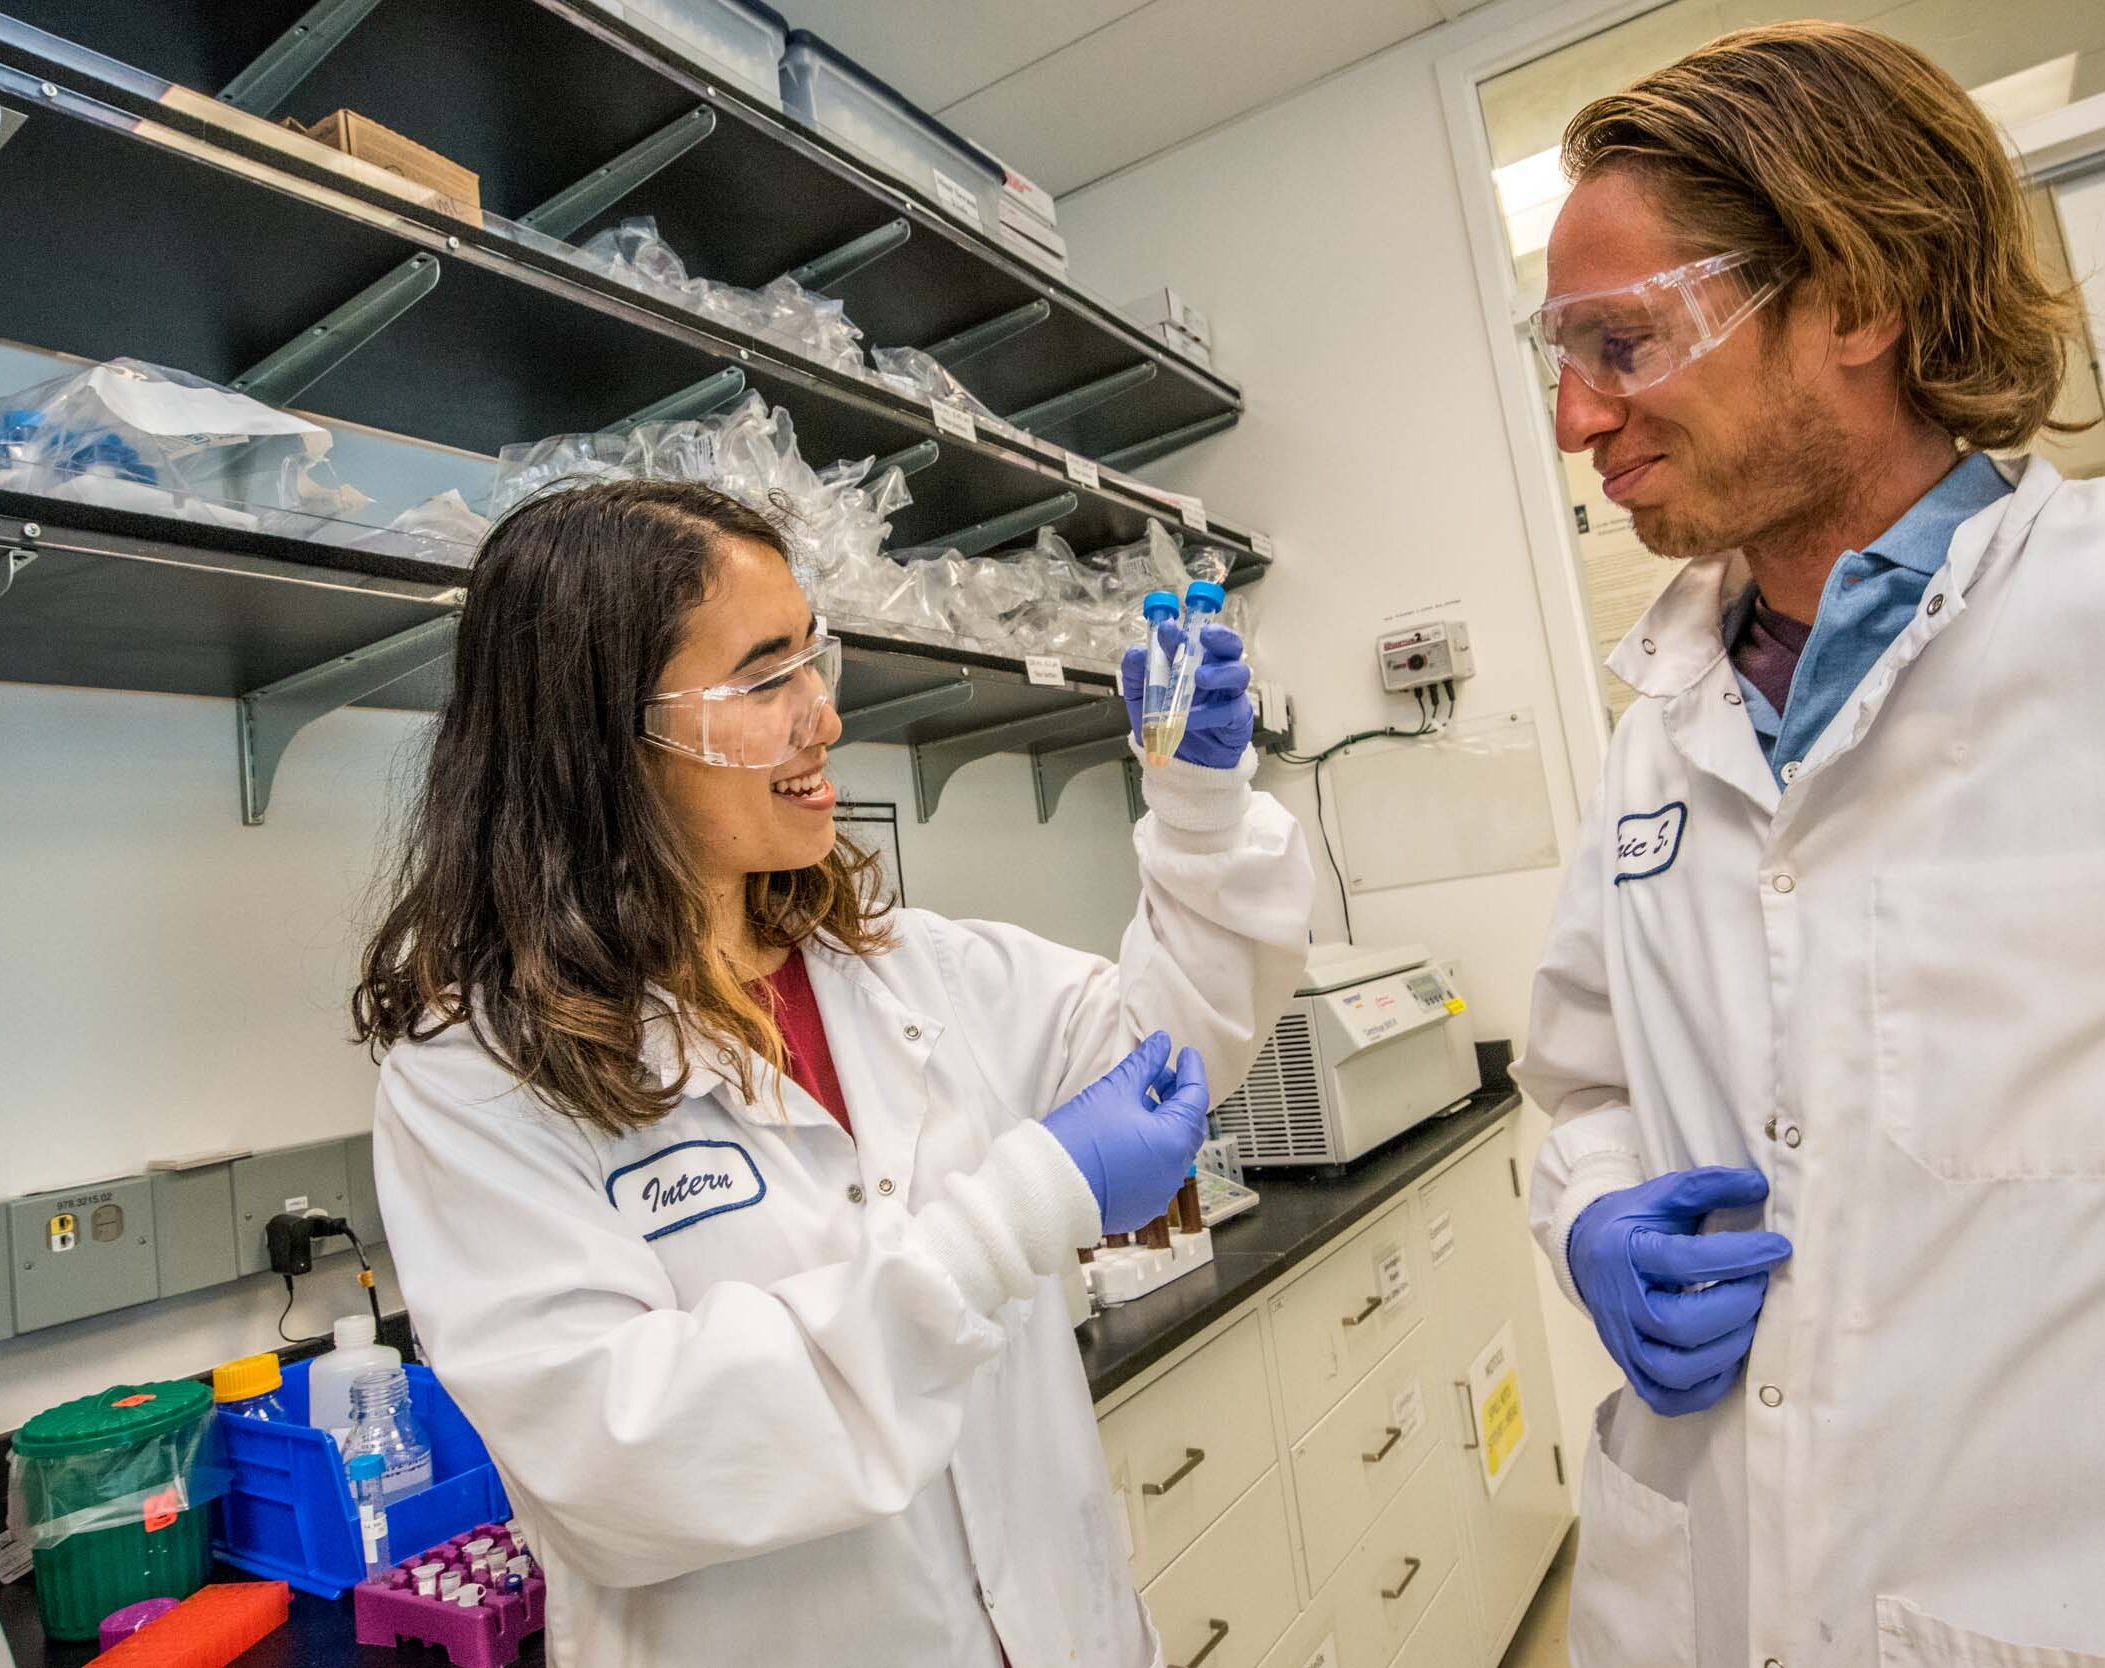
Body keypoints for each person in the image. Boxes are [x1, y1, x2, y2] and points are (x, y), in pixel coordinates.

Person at [354, 478, 1313, 1667]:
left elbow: (1170, 1056)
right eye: (766, 680)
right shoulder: (477, 1079)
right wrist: (1013, 1218)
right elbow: (623, 1462)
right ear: (601, 738)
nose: (824, 718)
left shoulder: (903, 969)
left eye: (814, 660)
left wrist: (1202, 815)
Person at [1516, 22, 2105, 1668]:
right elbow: (1581, 1079)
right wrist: (1587, 1211)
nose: (1575, 417)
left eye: (1620, 340)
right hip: (1700, 1588)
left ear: (1856, 293)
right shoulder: (1661, 719)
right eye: (1554, 356)